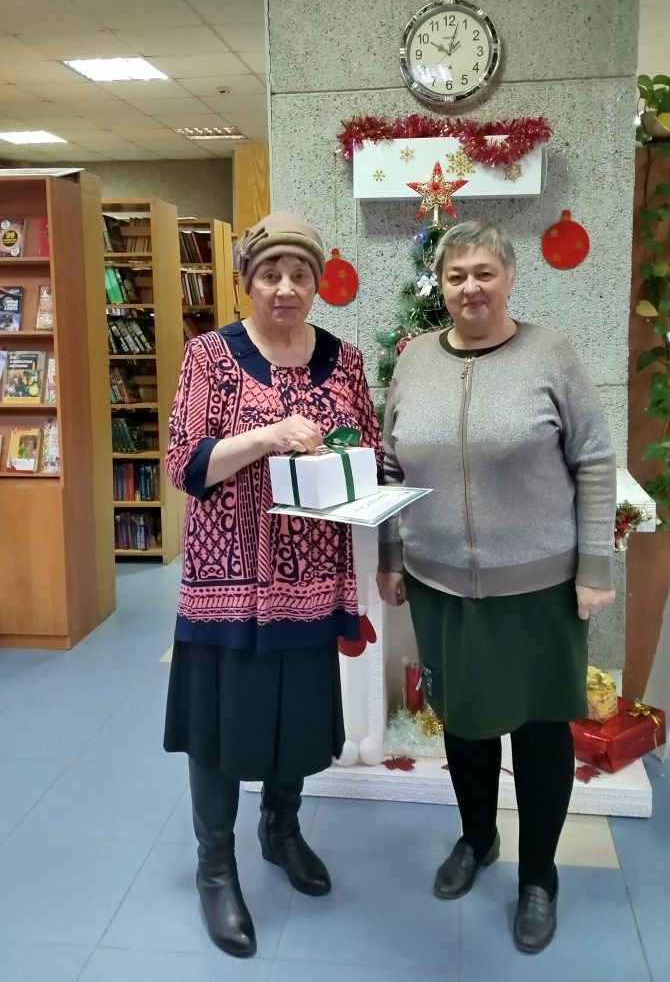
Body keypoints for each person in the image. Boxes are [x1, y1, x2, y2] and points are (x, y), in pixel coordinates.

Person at [376, 219, 615, 955]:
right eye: (456, 276)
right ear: (440, 286)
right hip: (439, 584)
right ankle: (477, 838)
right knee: (466, 722)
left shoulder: (551, 355)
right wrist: (391, 554)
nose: (470, 287)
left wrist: (595, 568)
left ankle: (538, 875)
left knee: (540, 731)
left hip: (540, 588)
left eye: (484, 272)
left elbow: (595, 459)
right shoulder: (415, 360)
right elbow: (390, 464)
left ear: (509, 278)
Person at [164, 212, 381, 959]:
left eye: (299, 275)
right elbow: (185, 464)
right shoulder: (209, 355)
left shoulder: (345, 359)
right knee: (219, 725)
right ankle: (215, 866)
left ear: (316, 284)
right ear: (245, 283)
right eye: (269, 274)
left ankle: (281, 830)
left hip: (311, 578)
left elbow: (367, 448)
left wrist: (352, 461)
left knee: (296, 717)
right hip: (226, 579)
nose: (285, 288)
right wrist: (267, 436)